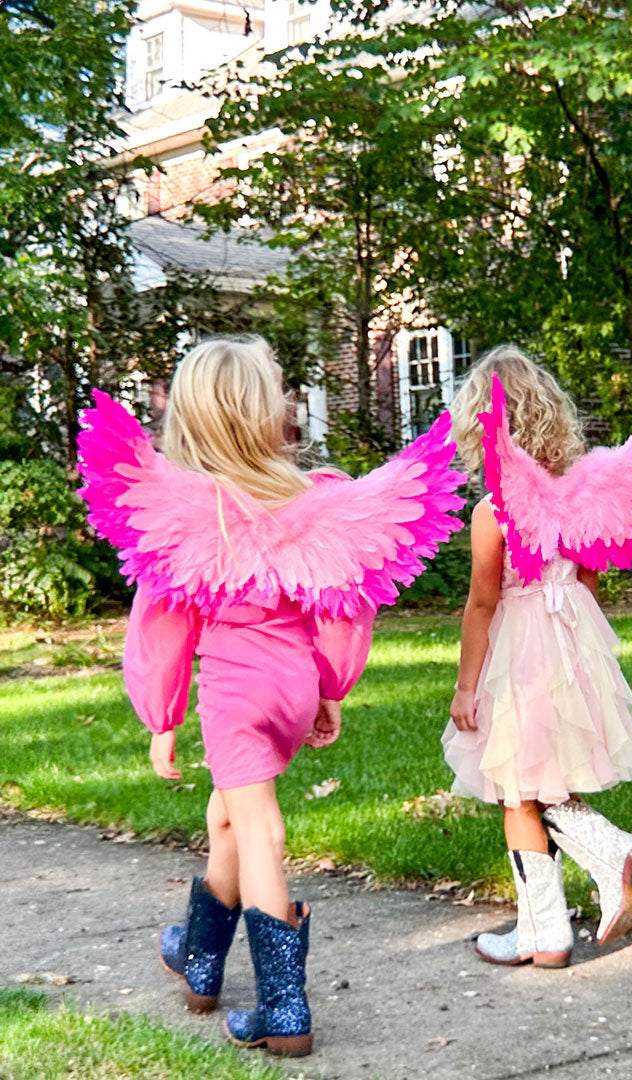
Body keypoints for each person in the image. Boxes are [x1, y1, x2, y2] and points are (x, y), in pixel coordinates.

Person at [78, 336, 464, 1056]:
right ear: (267, 414)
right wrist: (329, 686)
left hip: (234, 691)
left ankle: (285, 1006)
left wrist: (161, 718)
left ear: (191, 421)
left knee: (259, 830)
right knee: (226, 816)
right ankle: (197, 956)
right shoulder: (312, 503)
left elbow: (161, 621)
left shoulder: (189, 513)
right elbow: (345, 608)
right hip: (290, 685)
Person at [443, 346, 632, 965]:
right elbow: (585, 584)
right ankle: (555, 920)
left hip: (521, 654)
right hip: (573, 647)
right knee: (544, 782)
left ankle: (566, 909)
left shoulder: (494, 513)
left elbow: (482, 605)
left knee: (517, 790)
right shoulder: (581, 499)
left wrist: (465, 687)